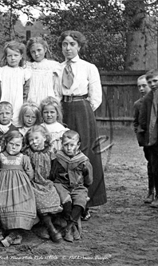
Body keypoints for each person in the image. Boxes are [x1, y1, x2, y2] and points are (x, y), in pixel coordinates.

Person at [57, 30, 106, 215]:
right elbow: (55, 92)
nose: (68, 48)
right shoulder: (57, 68)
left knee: (84, 153)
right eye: (64, 44)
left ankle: (86, 202)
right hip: (63, 110)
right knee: (63, 152)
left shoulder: (88, 67)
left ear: (79, 46)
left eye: (72, 44)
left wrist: (83, 111)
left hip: (82, 110)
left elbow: (96, 98)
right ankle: (66, 201)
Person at [0, 130, 38, 247]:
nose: (14, 147)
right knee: (6, 206)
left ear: (22, 146)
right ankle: (14, 235)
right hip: (4, 189)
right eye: (11, 144)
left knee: (21, 207)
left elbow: (30, 173)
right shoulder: (0, 157)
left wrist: (23, 180)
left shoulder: (24, 158)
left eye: (17, 145)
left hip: (21, 189)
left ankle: (14, 235)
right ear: (5, 143)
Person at [50, 130, 93, 242]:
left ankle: (69, 226)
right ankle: (71, 226)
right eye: (65, 145)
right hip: (61, 184)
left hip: (78, 186)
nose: (68, 148)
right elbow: (53, 174)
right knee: (66, 201)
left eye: (72, 145)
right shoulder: (58, 157)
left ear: (78, 145)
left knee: (80, 200)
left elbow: (89, 178)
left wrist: (85, 186)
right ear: (61, 144)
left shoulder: (83, 160)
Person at [24, 125, 63, 243]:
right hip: (32, 183)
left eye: (36, 138)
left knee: (54, 196)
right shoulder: (27, 153)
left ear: (45, 138)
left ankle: (47, 225)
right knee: (39, 200)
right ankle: (51, 228)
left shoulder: (51, 152)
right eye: (31, 140)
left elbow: (55, 170)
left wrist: (51, 181)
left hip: (47, 182)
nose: (34, 142)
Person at [0, 41, 31, 126]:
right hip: (3, 100)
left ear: (21, 56)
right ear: (6, 57)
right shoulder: (0, 71)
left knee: (16, 124)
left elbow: (25, 92)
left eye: (16, 55)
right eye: (10, 56)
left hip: (17, 102)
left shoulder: (24, 72)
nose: (13, 58)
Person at [133, 75, 154, 203]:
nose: (141, 88)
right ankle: (151, 191)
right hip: (147, 141)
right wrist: (140, 135)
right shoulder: (138, 104)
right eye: (139, 86)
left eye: (144, 85)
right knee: (151, 165)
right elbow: (136, 122)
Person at [139, 69, 158, 207]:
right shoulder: (147, 99)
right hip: (154, 138)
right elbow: (142, 120)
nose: (152, 84)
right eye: (150, 82)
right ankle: (156, 195)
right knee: (155, 167)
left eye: (155, 81)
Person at [25, 37, 61, 106]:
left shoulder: (53, 66)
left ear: (45, 49)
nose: (36, 54)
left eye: (39, 50)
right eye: (33, 51)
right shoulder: (27, 67)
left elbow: (57, 88)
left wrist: (56, 103)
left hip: (49, 103)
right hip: (32, 102)